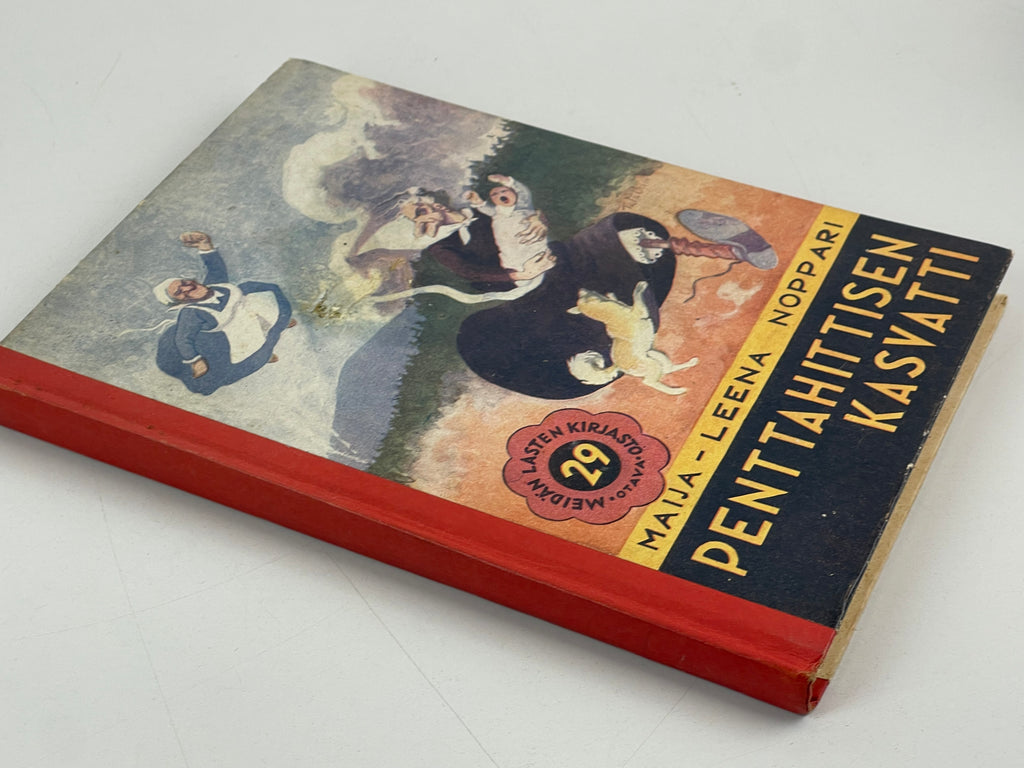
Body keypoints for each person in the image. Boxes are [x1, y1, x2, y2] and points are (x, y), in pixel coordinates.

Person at [154, 232, 294, 395]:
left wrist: (204, 245)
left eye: (184, 282)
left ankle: (279, 323)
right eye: (179, 292)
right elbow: (183, 338)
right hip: (240, 336)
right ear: (180, 302)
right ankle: (264, 356)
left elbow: (215, 266)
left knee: (255, 291)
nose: (187, 287)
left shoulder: (215, 284)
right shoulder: (192, 313)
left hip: (254, 314)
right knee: (256, 351)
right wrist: (195, 360)